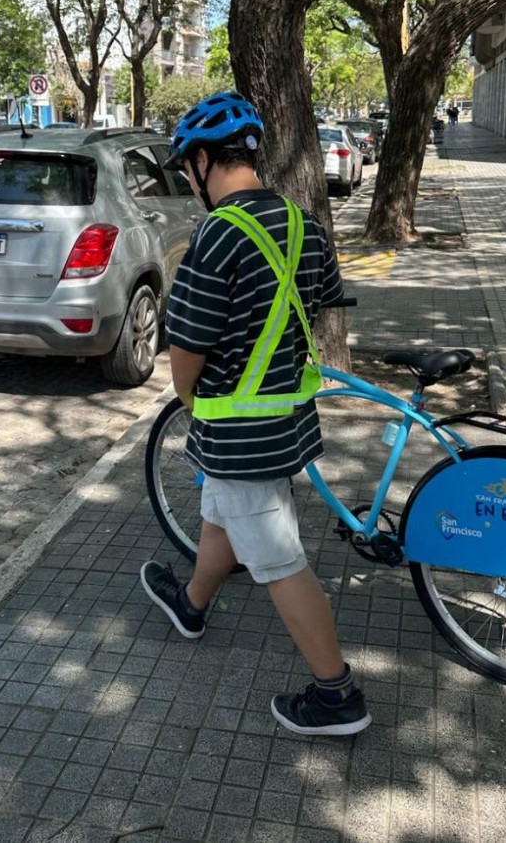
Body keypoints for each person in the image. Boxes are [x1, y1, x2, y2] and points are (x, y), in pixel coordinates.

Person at [139, 92, 371, 737]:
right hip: (287, 417)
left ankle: (337, 696)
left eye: (188, 169)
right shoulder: (301, 221)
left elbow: (186, 346)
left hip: (239, 429)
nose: (190, 182)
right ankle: (191, 605)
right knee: (221, 515)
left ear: (203, 161)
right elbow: (323, 302)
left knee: (277, 559)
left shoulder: (217, 234)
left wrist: (190, 401)